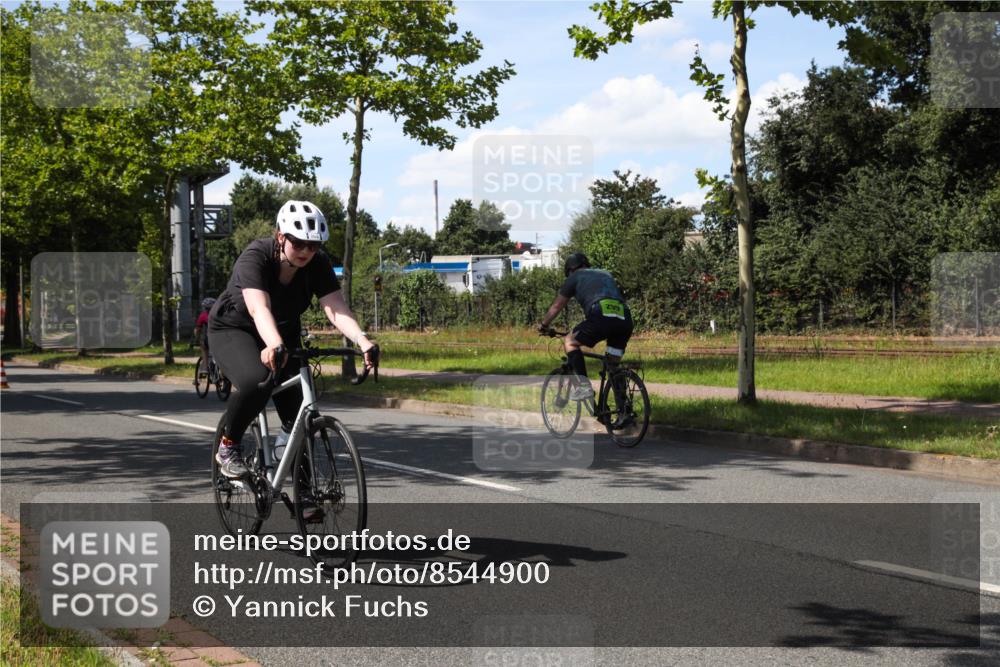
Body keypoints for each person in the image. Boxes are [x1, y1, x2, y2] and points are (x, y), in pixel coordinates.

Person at [208, 200, 376, 480]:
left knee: (300, 415)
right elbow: (258, 307)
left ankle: (307, 500)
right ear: (280, 236)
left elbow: (335, 308)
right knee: (257, 380)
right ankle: (229, 446)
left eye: (314, 246)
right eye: (299, 243)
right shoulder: (256, 256)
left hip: (283, 333)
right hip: (235, 328)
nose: (307, 252)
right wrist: (273, 343)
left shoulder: (317, 264)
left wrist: (362, 339)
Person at [537, 252, 633, 403]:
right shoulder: (605, 273)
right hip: (624, 318)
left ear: (570, 270)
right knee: (613, 366)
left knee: (570, 341)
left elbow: (557, 306)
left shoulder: (574, 277)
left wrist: (543, 325)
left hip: (601, 315)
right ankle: (624, 410)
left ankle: (584, 386)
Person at [194, 297, 215, 371]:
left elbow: (198, 329)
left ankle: (206, 368)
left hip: (208, 339)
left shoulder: (203, 316)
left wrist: (196, 339)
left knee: (204, 348)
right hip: (220, 338)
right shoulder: (220, 314)